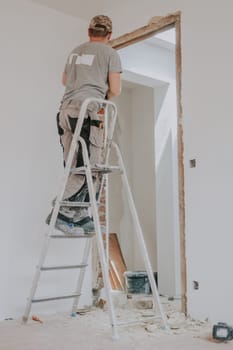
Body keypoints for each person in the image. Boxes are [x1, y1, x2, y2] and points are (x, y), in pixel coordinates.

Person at [51, 15, 122, 234]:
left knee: (75, 164)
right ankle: (62, 212)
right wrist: (101, 96)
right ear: (109, 35)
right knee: (89, 166)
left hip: (65, 111)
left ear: (89, 32)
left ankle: (80, 215)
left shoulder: (76, 50)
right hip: (87, 111)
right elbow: (116, 89)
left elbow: (65, 81)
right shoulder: (110, 53)